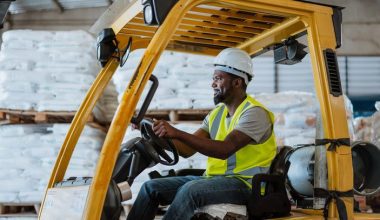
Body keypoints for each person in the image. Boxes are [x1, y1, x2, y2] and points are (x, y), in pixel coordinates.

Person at [126, 48, 277, 220]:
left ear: (237, 82)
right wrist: (156, 132)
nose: (213, 84)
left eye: (218, 79)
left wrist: (176, 132)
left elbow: (225, 149)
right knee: (150, 187)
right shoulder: (217, 113)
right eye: (213, 78)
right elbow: (186, 150)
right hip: (214, 180)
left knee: (190, 191)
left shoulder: (254, 113)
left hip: (246, 184)